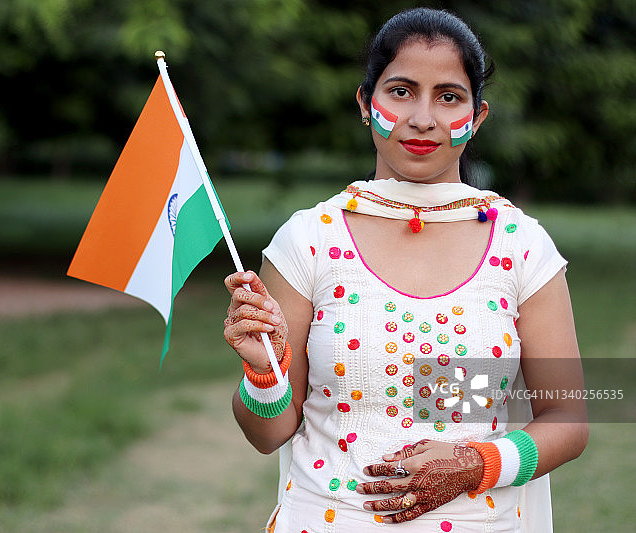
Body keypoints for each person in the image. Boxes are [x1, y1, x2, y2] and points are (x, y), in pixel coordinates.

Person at [223, 7, 588, 532]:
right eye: (400, 91)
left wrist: (472, 465)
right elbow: (268, 433)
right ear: (365, 104)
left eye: (448, 96)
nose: (423, 119)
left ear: (478, 115)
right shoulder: (310, 239)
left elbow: (568, 421)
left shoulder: (521, 244)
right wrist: (263, 374)